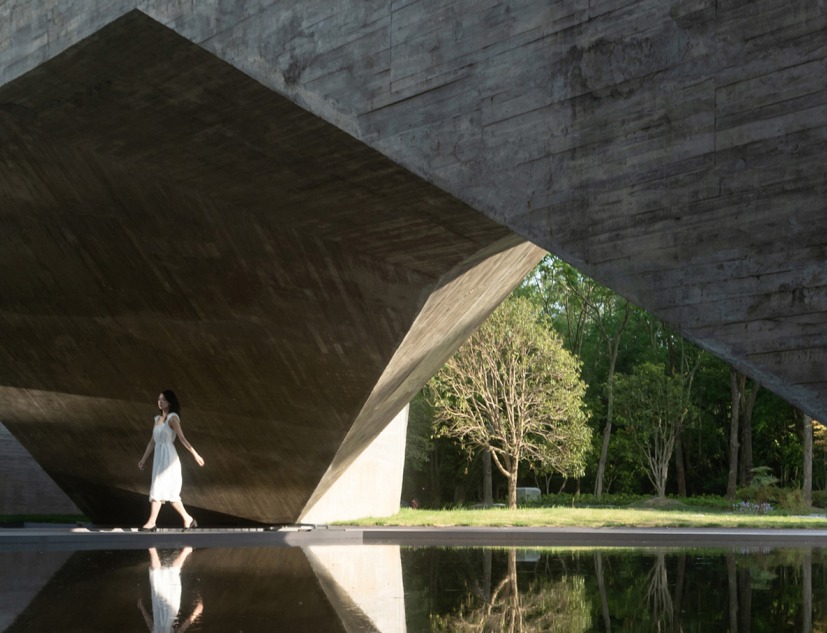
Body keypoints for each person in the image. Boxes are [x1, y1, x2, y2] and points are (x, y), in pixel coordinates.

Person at [138, 390, 205, 531]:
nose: (160, 402)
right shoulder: (157, 419)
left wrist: (195, 454)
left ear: (170, 402)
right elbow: (152, 442)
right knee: (167, 492)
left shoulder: (172, 418)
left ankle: (151, 522)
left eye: (163, 399)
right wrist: (144, 459)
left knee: (159, 488)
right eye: (159, 399)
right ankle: (188, 519)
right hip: (159, 458)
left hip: (169, 458)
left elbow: (182, 438)